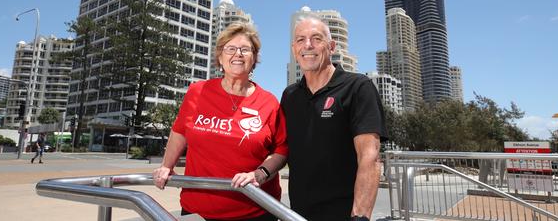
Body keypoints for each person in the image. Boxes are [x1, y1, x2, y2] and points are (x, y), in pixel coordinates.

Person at [153, 23, 288, 221]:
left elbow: (282, 150)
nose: (238, 54)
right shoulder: (197, 92)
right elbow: (180, 131)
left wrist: (259, 174)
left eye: (245, 49)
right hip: (198, 210)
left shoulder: (269, 102)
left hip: (255, 210)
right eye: (230, 48)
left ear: (254, 58)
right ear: (220, 57)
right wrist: (166, 166)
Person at [281, 16, 388, 221]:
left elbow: (370, 156)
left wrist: (360, 216)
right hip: (298, 213)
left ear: (331, 46)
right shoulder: (290, 95)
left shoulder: (358, 87)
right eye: (301, 40)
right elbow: (281, 148)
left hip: (345, 213)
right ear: (294, 49)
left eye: (316, 38)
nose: (308, 45)